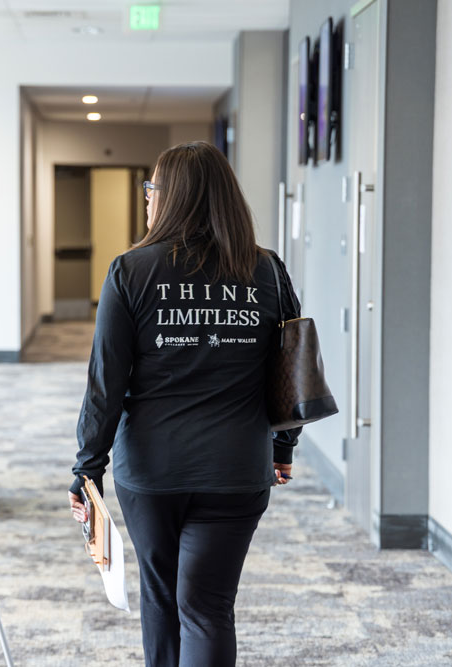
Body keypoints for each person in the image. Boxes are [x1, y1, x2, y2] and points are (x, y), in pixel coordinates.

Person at [67, 141, 302, 667]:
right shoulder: (266, 271)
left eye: (152, 189)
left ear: (170, 197)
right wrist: (283, 446)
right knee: (208, 608)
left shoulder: (131, 270)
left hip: (152, 471)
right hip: (237, 466)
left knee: (162, 598)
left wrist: (87, 469)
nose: (147, 199)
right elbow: (291, 369)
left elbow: (105, 383)